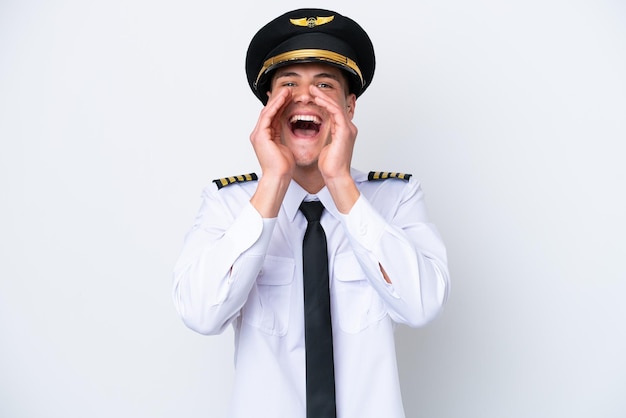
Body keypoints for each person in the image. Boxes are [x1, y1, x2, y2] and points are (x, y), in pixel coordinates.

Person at [172, 8, 450, 418]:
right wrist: (272, 182)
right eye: (288, 84)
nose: (305, 97)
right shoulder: (228, 204)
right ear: (269, 105)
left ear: (349, 107)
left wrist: (340, 182)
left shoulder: (396, 197)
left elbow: (422, 305)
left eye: (324, 85)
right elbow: (200, 314)